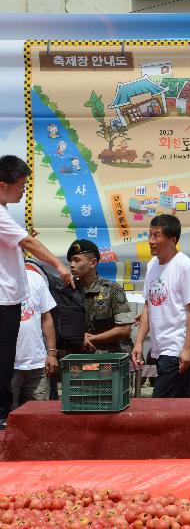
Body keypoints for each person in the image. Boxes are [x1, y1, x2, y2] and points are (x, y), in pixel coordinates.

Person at [0, 155, 72, 427]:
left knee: (5, 360)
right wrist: (58, 265)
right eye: (20, 186)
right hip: (3, 300)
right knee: (3, 362)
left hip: (9, 298)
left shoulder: (4, 212)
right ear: (2, 184)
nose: (23, 190)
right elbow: (27, 241)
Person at [132, 214, 190, 398]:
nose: (151, 241)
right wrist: (138, 342)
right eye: (149, 235)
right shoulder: (152, 264)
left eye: (156, 236)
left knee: (160, 404)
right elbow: (148, 306)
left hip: (177, 349)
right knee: (178, 407)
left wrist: (187, 349)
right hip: (160, 349)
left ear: (172, 239)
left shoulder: (184, 266)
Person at [67, 239, 133, 354]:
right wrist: (78, 337)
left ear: (93, 263)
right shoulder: (68, 292)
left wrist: (90, 339)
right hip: (77, 359)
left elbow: (124, 329)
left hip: (109, 359)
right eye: (70, 261)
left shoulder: (112, 289)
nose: (72, 265)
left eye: (77, 260)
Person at [11, 263, 59, 409]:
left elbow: (46, 318)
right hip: (7, 366)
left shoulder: (35, 278)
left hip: (38, 365)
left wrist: (51, 354)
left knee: (37, 417)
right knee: (6, 419)